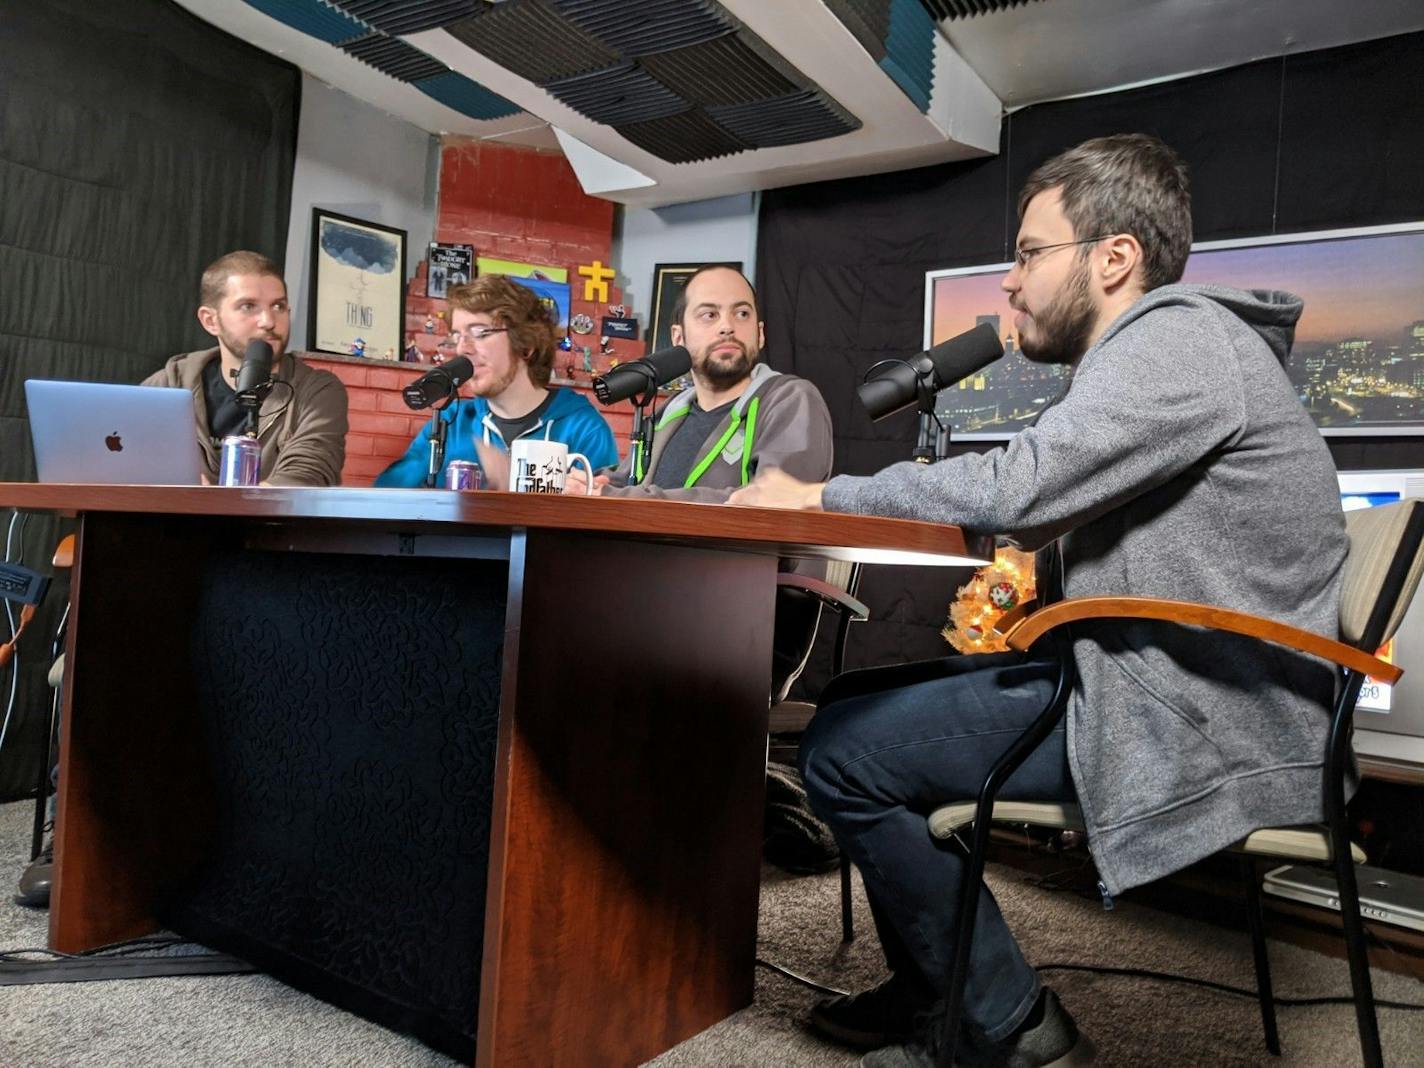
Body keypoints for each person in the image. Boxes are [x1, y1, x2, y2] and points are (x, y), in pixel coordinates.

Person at [729, 133, 1347, 1066]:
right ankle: (942, 996)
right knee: (853, 707)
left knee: (847, 754)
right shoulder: (1171, 347)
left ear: (1114, 258)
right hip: (1170, 682)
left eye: (1027, 253)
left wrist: (819, 494)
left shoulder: (1178, 337)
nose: (1009, 285)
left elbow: (1024, 484)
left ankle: (1012, 1030)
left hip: (1211, 715)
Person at [570, 265, 833, 502]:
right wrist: (584, 483)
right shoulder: (671, 410)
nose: (727, 326)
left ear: (760, 333)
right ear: (678, 336)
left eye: (742, 313)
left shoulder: (791, 399)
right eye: (709, 315)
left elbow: (772, 505)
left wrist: (617, 497)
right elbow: (626, 480)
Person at [375, 275, 617, 487]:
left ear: (526, 345)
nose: (462, 348)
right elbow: (384, 500)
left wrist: (521, 488)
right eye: (457, 335)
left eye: (480, 333)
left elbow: (598, 529)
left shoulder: (585, 429)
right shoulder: (451, 423)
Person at [143, 250, 349, 487]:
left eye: (278, 306)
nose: (269, 321)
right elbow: (124, 458)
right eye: (248, 306)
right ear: (211, 320)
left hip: (270, 523)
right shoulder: (170, 384)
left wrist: (214, 503)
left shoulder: (317, 390)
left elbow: (310, 473)